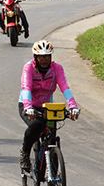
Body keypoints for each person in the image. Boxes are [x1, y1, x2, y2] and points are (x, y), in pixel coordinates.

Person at [18, 40, 80, 171]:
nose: (44, 60)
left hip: (47, 107)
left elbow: (65, 88)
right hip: (28, 105)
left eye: (47, 56)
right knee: (36, 126)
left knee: (51, 135)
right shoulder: (28, 68)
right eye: (41, 57)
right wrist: (28, 108)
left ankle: (54, 181)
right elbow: (26, 88)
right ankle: (25, 154)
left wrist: (73, 107)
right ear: (35, 57)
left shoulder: (57, 68)